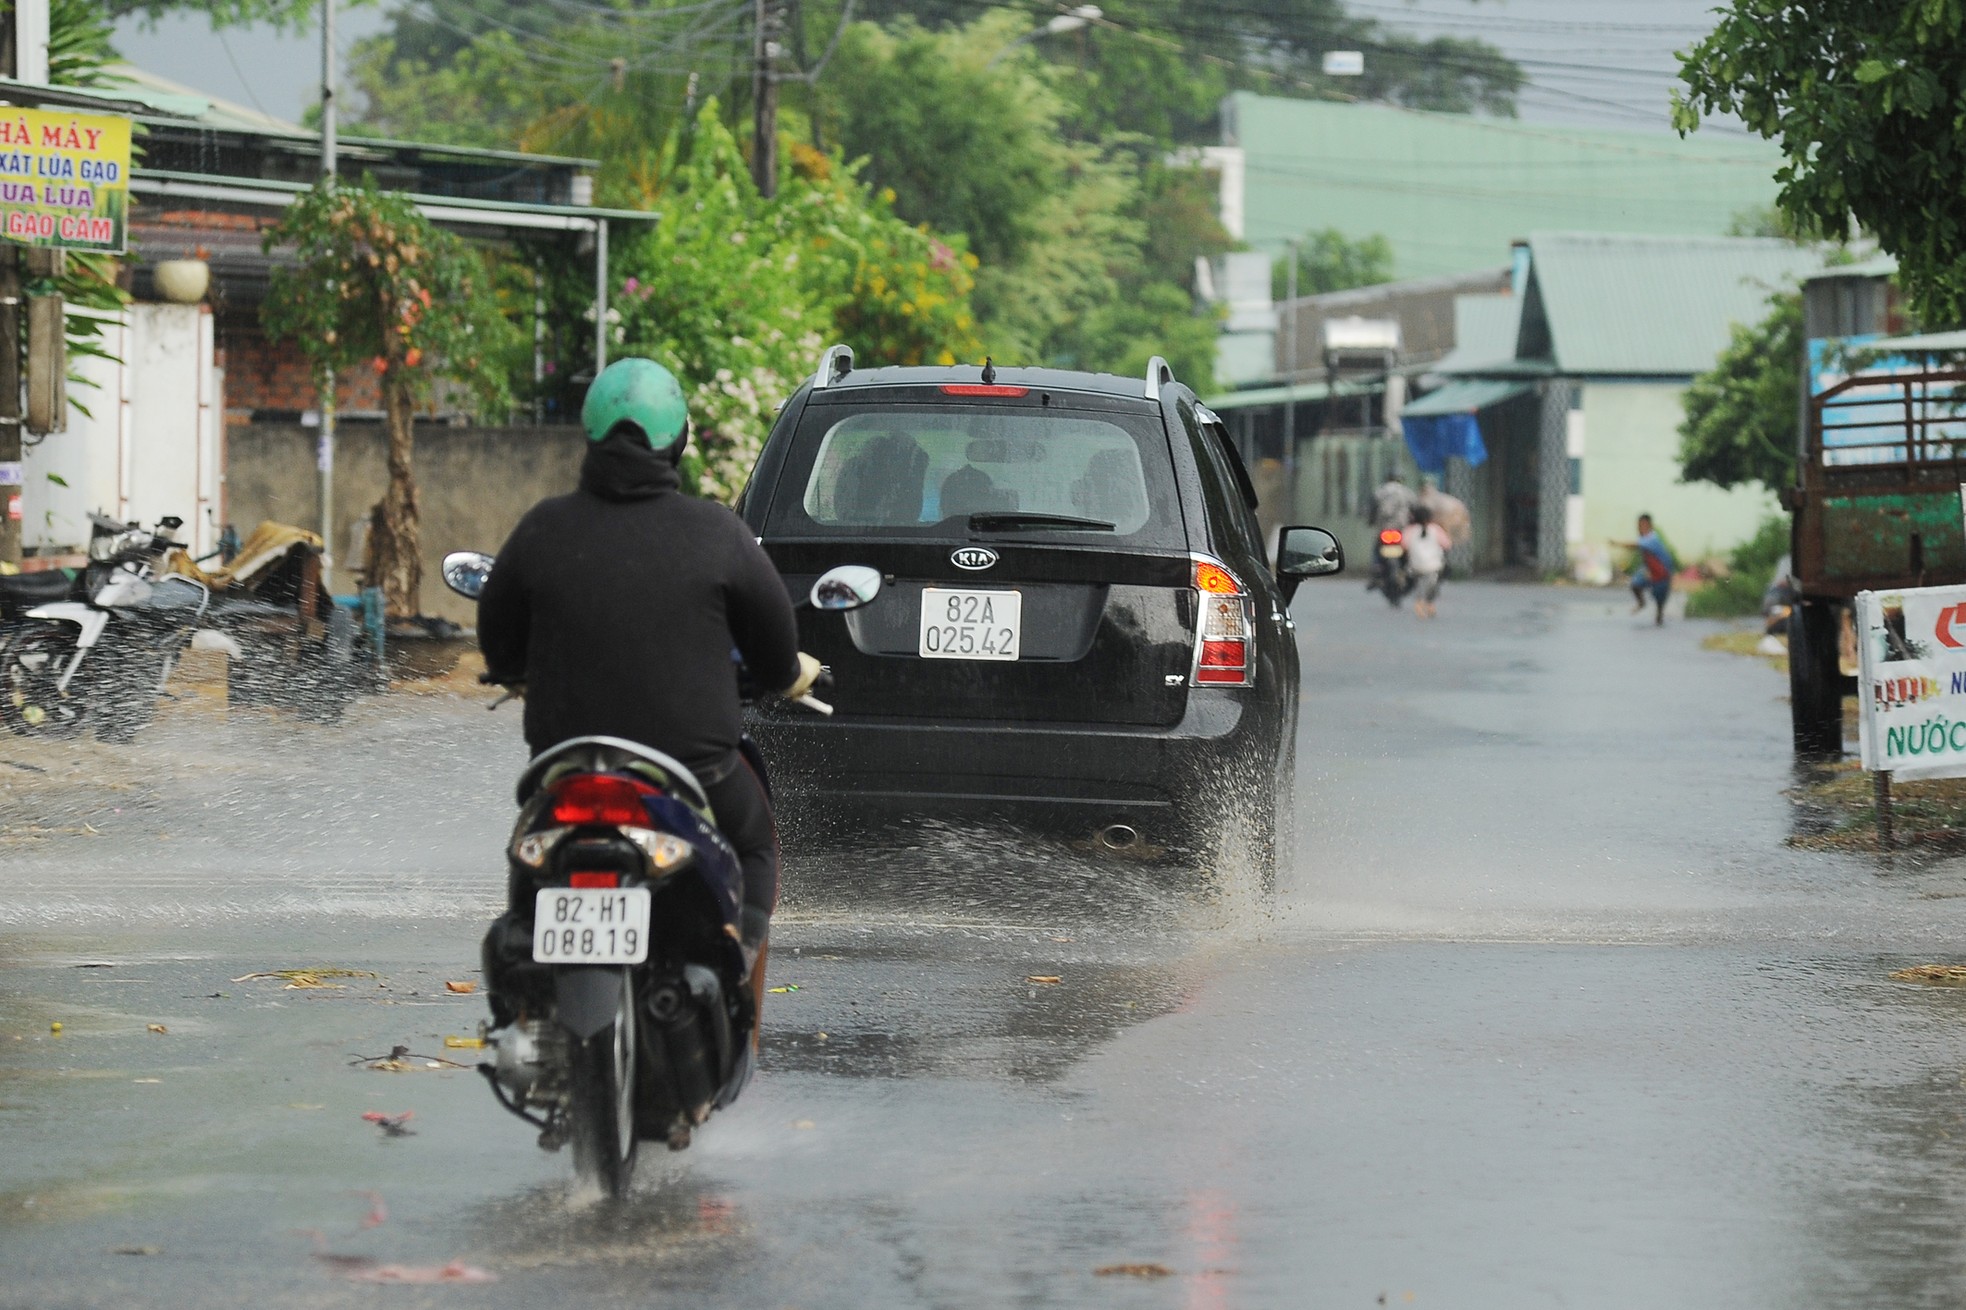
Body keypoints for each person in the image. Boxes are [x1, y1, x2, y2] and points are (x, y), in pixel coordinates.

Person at [476, 357, 821, 1002]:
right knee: (754, 846)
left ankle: (527, 985)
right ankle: (736, 963)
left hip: (565, 764)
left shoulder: (542, 528)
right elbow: (776, 653)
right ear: (679, 440)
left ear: (590, 436)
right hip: (695, 766)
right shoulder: (718, 531)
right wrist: (782, 674)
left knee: (529, 851)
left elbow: (497, 644)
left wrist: (517, 671)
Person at [1613, 513, 1677, 626]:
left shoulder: (1652, 538)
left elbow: (1634, 545)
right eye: (1638, 525)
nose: (1638, 528)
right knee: (1635, 583)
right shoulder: (1643, 538)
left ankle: (1659, 615)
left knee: (1660, 597)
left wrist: (1617, 543)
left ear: (1649, 525)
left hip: (1663, 573)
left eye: (1641, 525)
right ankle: (1641, 602)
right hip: (1649, 570)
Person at [1402, 504, 1451, 620]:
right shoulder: (1436, 529)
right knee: (1433, 584)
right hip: (1434, 566)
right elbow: (1447, 544)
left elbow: (1403, 545)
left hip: (1415, 565)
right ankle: (1429, 603)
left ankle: (1420, 602)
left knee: (1418, 582)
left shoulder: (1410, 530)